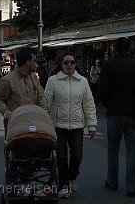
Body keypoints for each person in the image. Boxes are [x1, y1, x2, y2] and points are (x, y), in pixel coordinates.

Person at [99, 37, 135, 197]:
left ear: (115, 48)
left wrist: (108, 104)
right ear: (130, 48)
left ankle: (112, 181)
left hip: (114, 111)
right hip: (134, 113)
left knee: (112, 150)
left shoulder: (108, 65)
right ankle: (132, 186)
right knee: (132, 151)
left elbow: (102, 90)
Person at [43, 53, 97, 199]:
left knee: (77, 156)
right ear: (61, 65)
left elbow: (89, 104)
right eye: (66, 63)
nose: (69, 65)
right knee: (60, 158)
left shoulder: (83, 81)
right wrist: (45, 123)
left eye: (71, 62)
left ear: (75, 64)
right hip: (58, 125)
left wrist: (91, 125)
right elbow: (46, 103)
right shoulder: (53, 81)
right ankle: (64, 185)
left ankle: (72, 176)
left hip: (77, 125)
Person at [0, 47, 46, 139]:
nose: (36, 64)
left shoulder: (34, 77)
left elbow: (41, 96)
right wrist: (6, 112)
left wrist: (44, 111)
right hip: (15, 122)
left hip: (33, 121)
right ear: (28, 62)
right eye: (34, 61)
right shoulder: (7, 80)